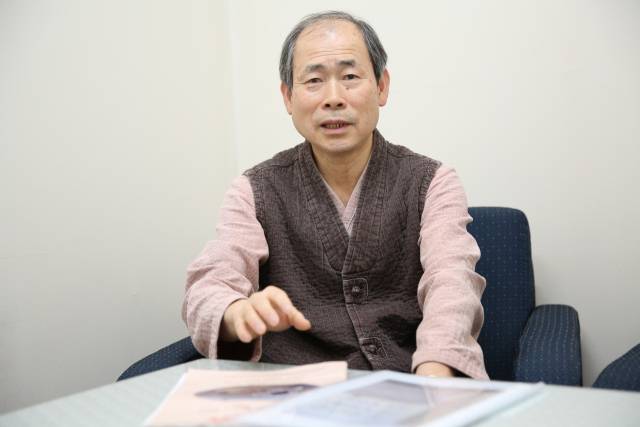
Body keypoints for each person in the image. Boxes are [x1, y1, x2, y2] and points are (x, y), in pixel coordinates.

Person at [182, 11, 488, 380]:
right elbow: (210, 283)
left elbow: (451, 284)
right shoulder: (253, 190)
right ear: (288, 97)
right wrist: (236, 313)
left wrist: (433, 378)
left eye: (350, 77)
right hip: (295, 392)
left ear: (381, 86)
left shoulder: (432, 181)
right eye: (314, 80)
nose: (333, 98)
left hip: (408, 383)